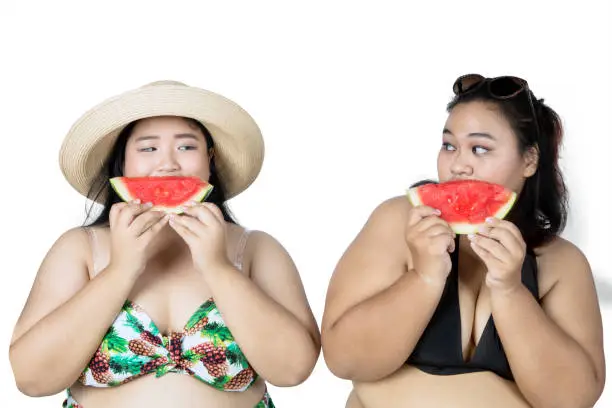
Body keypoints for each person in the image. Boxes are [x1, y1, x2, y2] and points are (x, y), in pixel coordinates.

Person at [9, 80, 321, 408]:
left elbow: (293, 371)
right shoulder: (80, 248)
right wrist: (120, 270)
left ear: (210, 160)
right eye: (148, 148)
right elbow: (32, 380)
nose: (168, 164)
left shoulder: (255, 249)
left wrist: (217, 267)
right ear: (123, 163)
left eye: (187, 147)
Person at [320, 74, 606, 407]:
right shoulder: (398, 222)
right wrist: (423, 277)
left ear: (529, 160)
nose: (458, 165)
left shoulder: (561, 262)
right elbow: (344, 360)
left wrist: (511, 290)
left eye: (480, 149)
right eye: (449, 145)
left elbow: (573, 399)